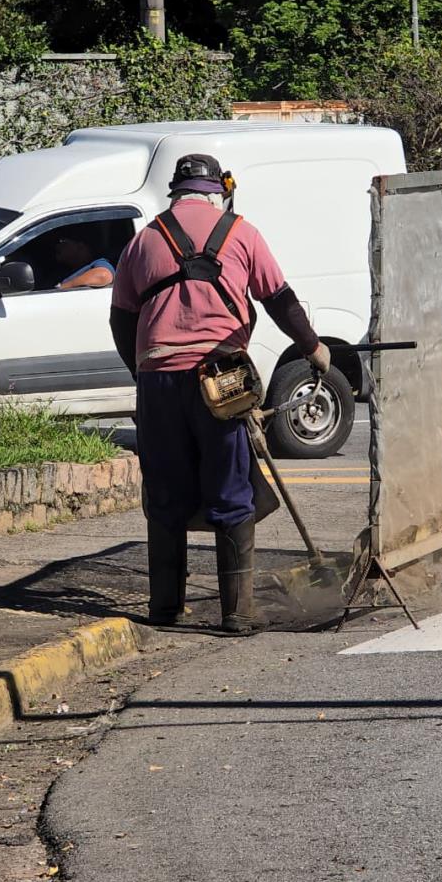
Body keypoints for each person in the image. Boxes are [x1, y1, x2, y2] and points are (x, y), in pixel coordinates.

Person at [110, 153, 330, 632]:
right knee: (230, 486)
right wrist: (313, 348)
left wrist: (144, 372)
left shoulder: (144, 239)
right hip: (222, 377)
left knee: (165, 490)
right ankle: (238, 612)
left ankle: (164, 608)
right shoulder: (242, 233)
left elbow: (121, 317)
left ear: (176, 192)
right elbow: (278, 297)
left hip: (158, 376)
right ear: (218, 192)